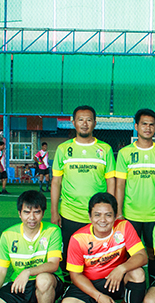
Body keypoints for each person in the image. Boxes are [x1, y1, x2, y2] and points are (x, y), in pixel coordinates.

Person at [60, 192, 148, 303]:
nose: (102, 220)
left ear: (115, 216)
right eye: (97, 215)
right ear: (90, 217)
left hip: (116, 280)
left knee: (138, 273)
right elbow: (75, 275)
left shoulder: (124, 226)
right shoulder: (78, 238)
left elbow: (142, 256)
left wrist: (122, 268)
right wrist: (98, 296)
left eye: (108, 215)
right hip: (91, 283)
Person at [51, 105, 116, 286]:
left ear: (95, 123)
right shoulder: (63, 149)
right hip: (70, 213)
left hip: (98, 216)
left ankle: (100, 288)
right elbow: (56, 182)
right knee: (68, 256)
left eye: (88, 120)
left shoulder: (105, 149)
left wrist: (111, 211)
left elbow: (111, 182)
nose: (84, 123)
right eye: (80, 120)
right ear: (73, 122)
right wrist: (54, 213)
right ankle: (67, 289)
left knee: (99, 254)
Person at [115, 108, 155, 283]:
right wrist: (119, 212)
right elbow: (120, 185)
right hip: (130, 214)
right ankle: (128, 285)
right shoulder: (125, 153)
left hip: (154, 214)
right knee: (128, 252)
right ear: (136, 126)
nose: (148, 128)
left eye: (151, 125)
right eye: (144, 124)